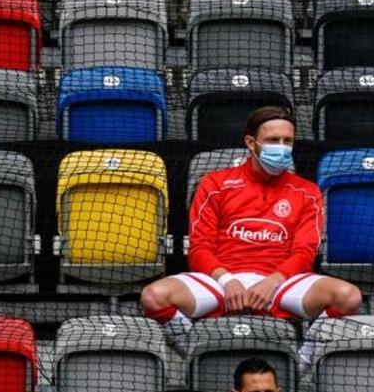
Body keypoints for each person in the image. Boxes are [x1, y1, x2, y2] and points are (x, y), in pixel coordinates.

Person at [140, 105, 361, 355]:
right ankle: (194, 353)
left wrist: (273, 282)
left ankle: (303, 363)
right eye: (272, 140)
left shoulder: (307, 191)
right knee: (153, 296)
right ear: (250, 142)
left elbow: (305, 251)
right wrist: (227, 280)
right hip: (221, 281)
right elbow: (200, 247)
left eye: (287, 141)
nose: (282, 147)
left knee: (348, 297)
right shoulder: (215, 183)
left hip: (281, 282)